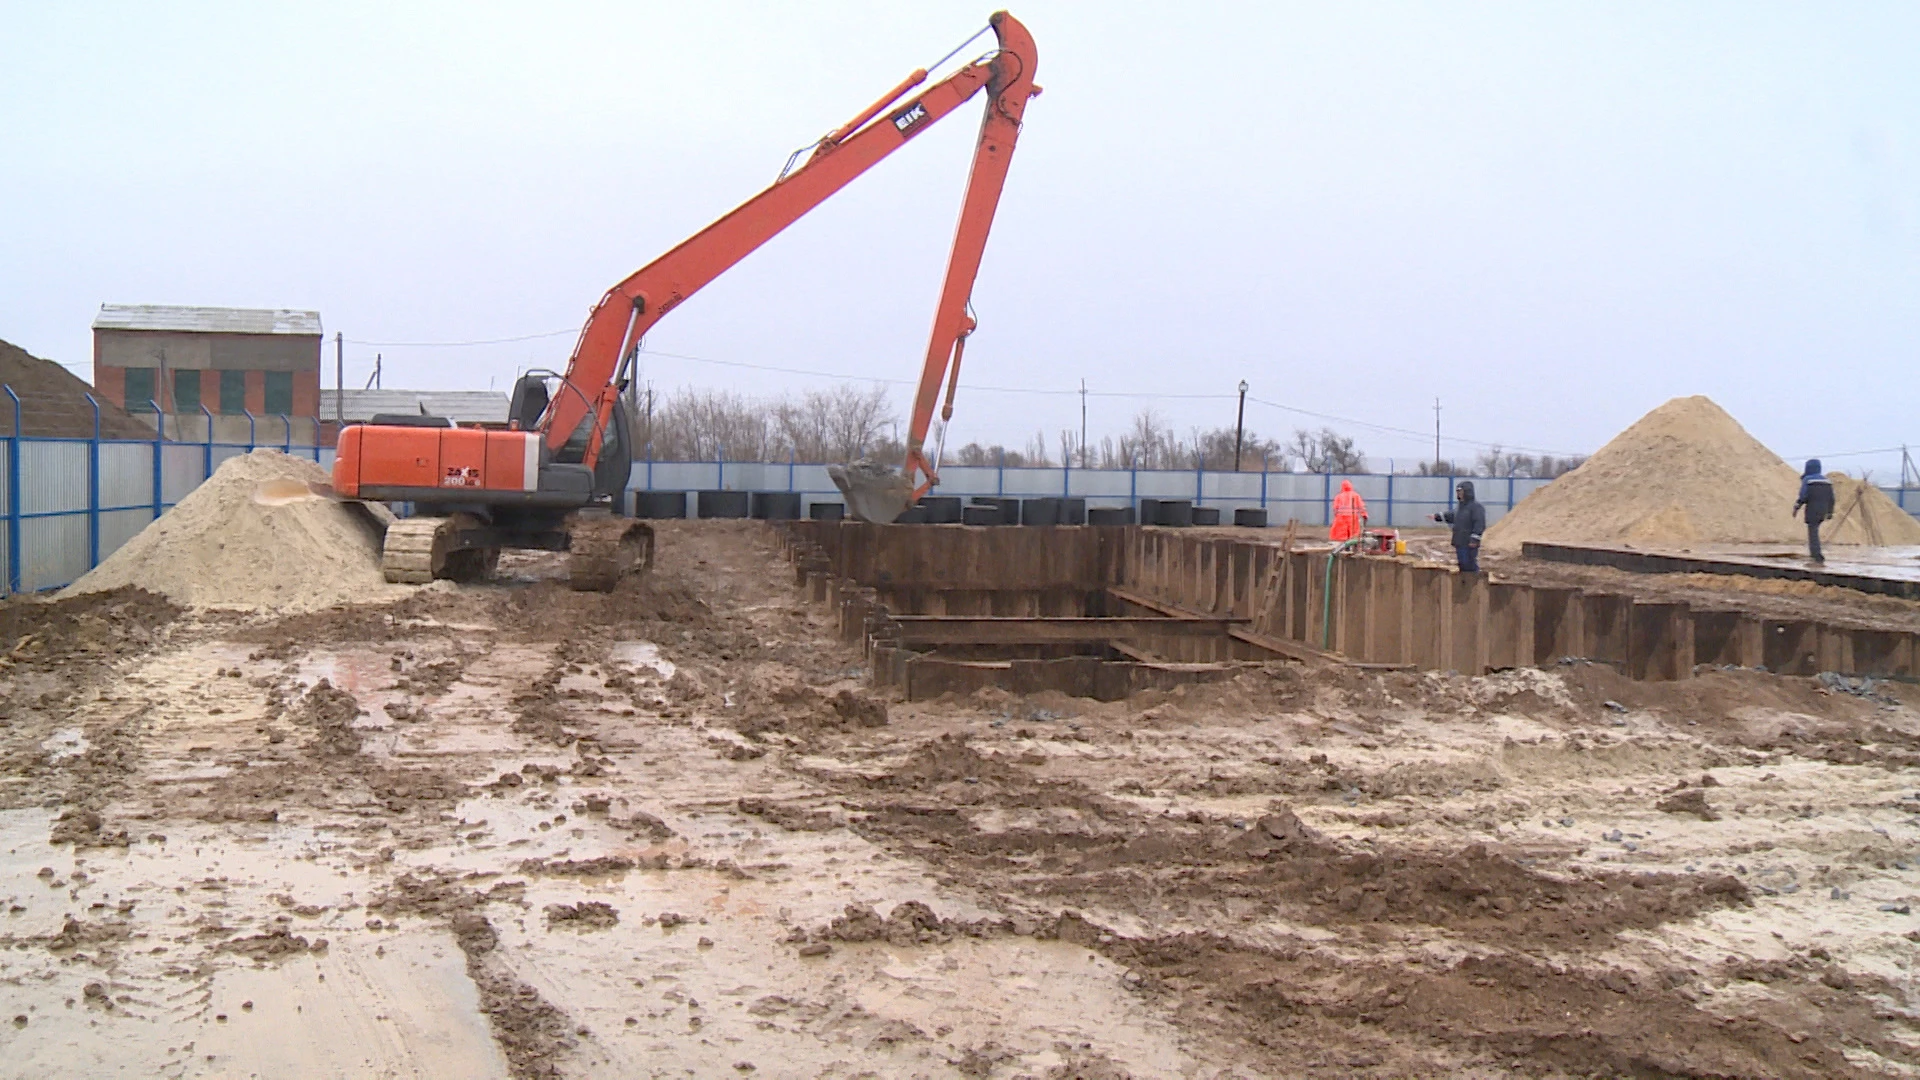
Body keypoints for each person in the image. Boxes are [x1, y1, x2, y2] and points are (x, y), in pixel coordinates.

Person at [1430, 480, 1486, 572]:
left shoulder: (1476, 507)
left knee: (1469, 564)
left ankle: (1474, 582)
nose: (1459, 494)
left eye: (1461, 491)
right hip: (1460, 541)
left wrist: (1475, 539)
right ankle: (1464, 583)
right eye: (1458, 492)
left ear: (1467, 492)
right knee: (1462, 564)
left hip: (1469, 543)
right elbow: (1452, 516)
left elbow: (1479, 524)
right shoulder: (1461, 507)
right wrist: (1437, 516)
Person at [1792, 458, 1834, 563]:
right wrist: (1830, 512)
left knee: (1813, 531)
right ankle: (1815, 552)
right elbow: (1832, 498)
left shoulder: (1808, 480)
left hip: (1812, 509)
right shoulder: (1827, 482)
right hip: (1823, 510)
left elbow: (1803, 496)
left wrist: (1797, 507)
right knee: (1815, 530)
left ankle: (1816, 554)